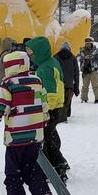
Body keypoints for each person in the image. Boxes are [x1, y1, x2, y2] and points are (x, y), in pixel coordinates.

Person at [0, 49, 54, 195]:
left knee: (12, 171)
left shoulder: (8, 84)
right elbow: (44, 106)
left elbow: (0, 107)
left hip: (16, 136)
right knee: (31, 168)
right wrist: (44, 123)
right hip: (35, 134)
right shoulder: (37, 81)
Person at [24, 36, 70, 182]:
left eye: (31, 53)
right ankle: (60, 163)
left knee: (45, 140)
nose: (30, 56)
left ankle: (56, 168)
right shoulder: (51, 62)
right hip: (56, 108)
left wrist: (45, 112)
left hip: (50, 109)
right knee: (50, 137)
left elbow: (50, 92)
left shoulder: (45, 68)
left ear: (39, 52)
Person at [54, 41, 79, 121]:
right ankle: (66, 114)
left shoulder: (55, 57)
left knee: (58, 101)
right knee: (67, 101)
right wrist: (76, 87)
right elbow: (76, 74)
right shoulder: (73, 58)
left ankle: (59, 116)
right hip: (69, 84)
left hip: (58, 84)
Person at [80, 38, 98, 102]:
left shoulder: (95, 50)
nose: (87, 44)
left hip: (93, 70)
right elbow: (80, 59)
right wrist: (84, 58)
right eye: (86, 43)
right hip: (85, 70)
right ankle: (84, 98)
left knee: (95, 85)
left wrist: (92, 57)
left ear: (91, 43)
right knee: (85, 86)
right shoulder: (82, 50)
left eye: (89, 43)